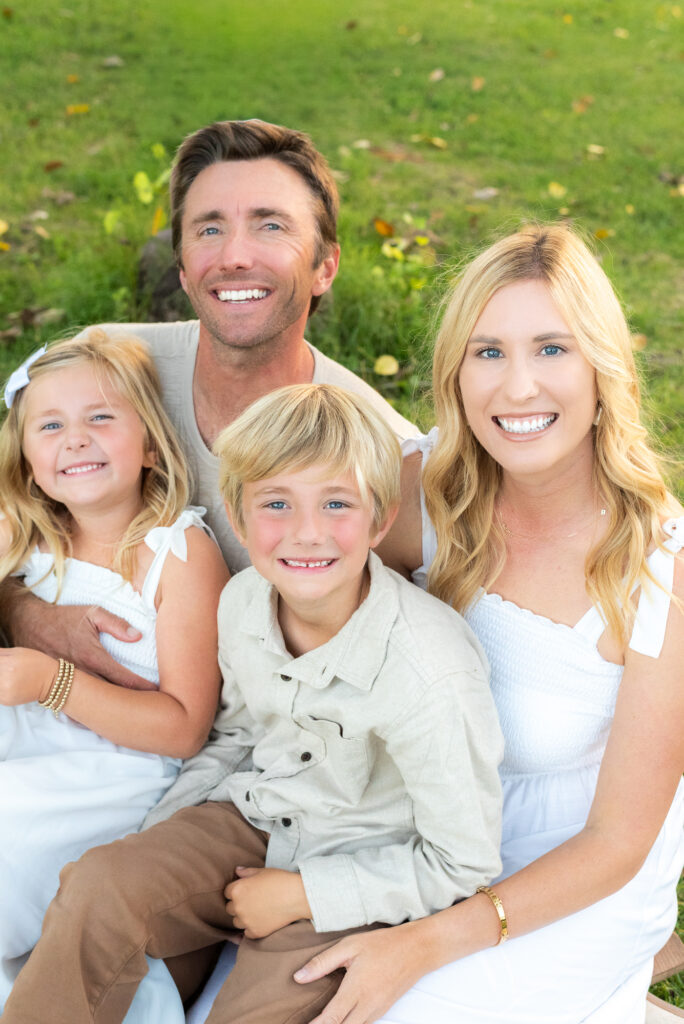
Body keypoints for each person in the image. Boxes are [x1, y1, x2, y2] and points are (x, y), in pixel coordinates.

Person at [2, 383, 504, 1024]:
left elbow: (463, 861)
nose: (306, 533)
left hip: (361, 859)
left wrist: (302, 894)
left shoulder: (429, 670)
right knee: (101, 884)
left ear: (381, 520)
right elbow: (236, 737)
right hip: (256, 816)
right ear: (237, 519)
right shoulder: (242, 602)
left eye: (336, 503)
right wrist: (161, 841)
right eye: (276, 503)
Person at [289, 224, 684, 1024]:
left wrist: (424, 942)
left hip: (574, 877)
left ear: (602, 366)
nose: (518, 389)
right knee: (262, 983)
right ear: (457, 372)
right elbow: (297, 593)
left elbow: (616, 845)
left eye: (551, 349)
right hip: (421, 830)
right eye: (489, 352)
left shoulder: (658, 571)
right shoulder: (426, 494)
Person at [0, 118, 417, 691]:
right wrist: (28, 616)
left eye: (270, 226)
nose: (235, 256)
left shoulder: (382, 451)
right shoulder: (105, 377)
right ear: (181, 268)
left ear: (325, 267)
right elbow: (13, 510)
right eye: (209, 229)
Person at [0, 331, 228, 1011]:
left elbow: (187, 728)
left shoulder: (176, 552)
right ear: (30, 462)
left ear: (151, 446)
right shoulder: (26, 537)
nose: (76, 439)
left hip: (113, 773)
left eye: (101, 417)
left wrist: (52, 682)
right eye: (51, 425)